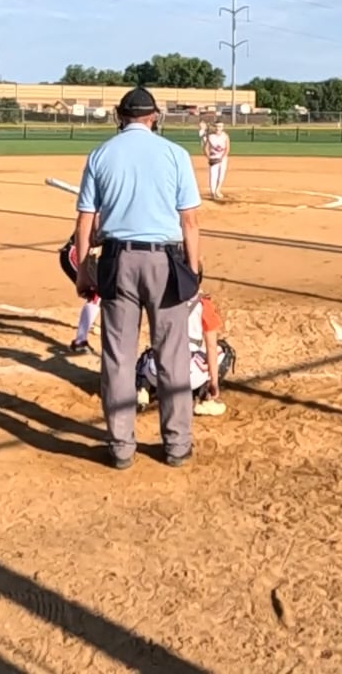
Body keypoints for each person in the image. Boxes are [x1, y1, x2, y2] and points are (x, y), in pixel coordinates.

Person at [73, 86, 204, 470]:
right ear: (154, 116)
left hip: (117, 261)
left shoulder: (100, 154)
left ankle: (120, 447)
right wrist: (193, 269)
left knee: (118, 357)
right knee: (172, 355)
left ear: (120, 116)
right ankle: (177, 445)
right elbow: (190, 221)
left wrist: (83, 271)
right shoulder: (175, 154)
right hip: (165, 262)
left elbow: (84, 221)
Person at [136, 290, 234, 417]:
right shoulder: (204, 304)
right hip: (189, 374)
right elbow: (211, 347)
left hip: (157, 370)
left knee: (147, 355)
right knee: (224, 350)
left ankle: (143, 389)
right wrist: (214, 383)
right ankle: (205, 398)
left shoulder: (162, 296)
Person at [57, 224, 101, 354]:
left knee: (104, 289)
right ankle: (80, 342)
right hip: (75, 254)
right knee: (96, 293)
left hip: (87, 256)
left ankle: (90, 321)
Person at [204, 120, 231, 200]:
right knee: (213, 175)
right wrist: (209, 157)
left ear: (222, 127)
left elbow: (227, 148)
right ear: (214, 127)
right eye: (216, 126)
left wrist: (222, 158)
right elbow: (206, 148)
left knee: (221, 175)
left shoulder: (225, 136)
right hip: (213, 158)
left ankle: (217, 190)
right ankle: (213, 192)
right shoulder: (210, 136)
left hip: (222, 158)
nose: (218, 128)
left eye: (220, 126)